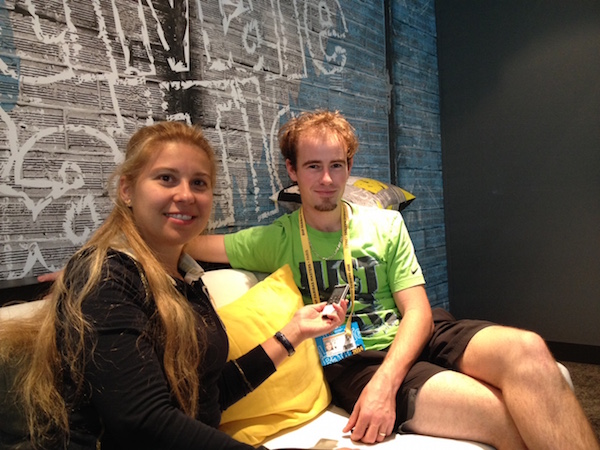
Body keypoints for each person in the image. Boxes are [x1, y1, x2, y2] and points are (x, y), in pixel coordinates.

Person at [185, 110, 600, 450]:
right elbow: (188, 241)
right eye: (313, 166)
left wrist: (388, 382)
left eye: (336, 165)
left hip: (421, 333)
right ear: (293, 170)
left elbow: (417, 310)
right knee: (499, 415)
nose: (327, 180)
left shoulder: (384, 225)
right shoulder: (275, 239)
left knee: (529, 349)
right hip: (356, 361)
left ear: (349, 167)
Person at [0, 121, 348, 450]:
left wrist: (294, 332)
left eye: (199, 183)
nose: (185, 195)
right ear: (127, 189)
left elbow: (207, 396)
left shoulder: (186, 278)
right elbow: (143, 422)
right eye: (166, 178)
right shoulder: (106, 276)